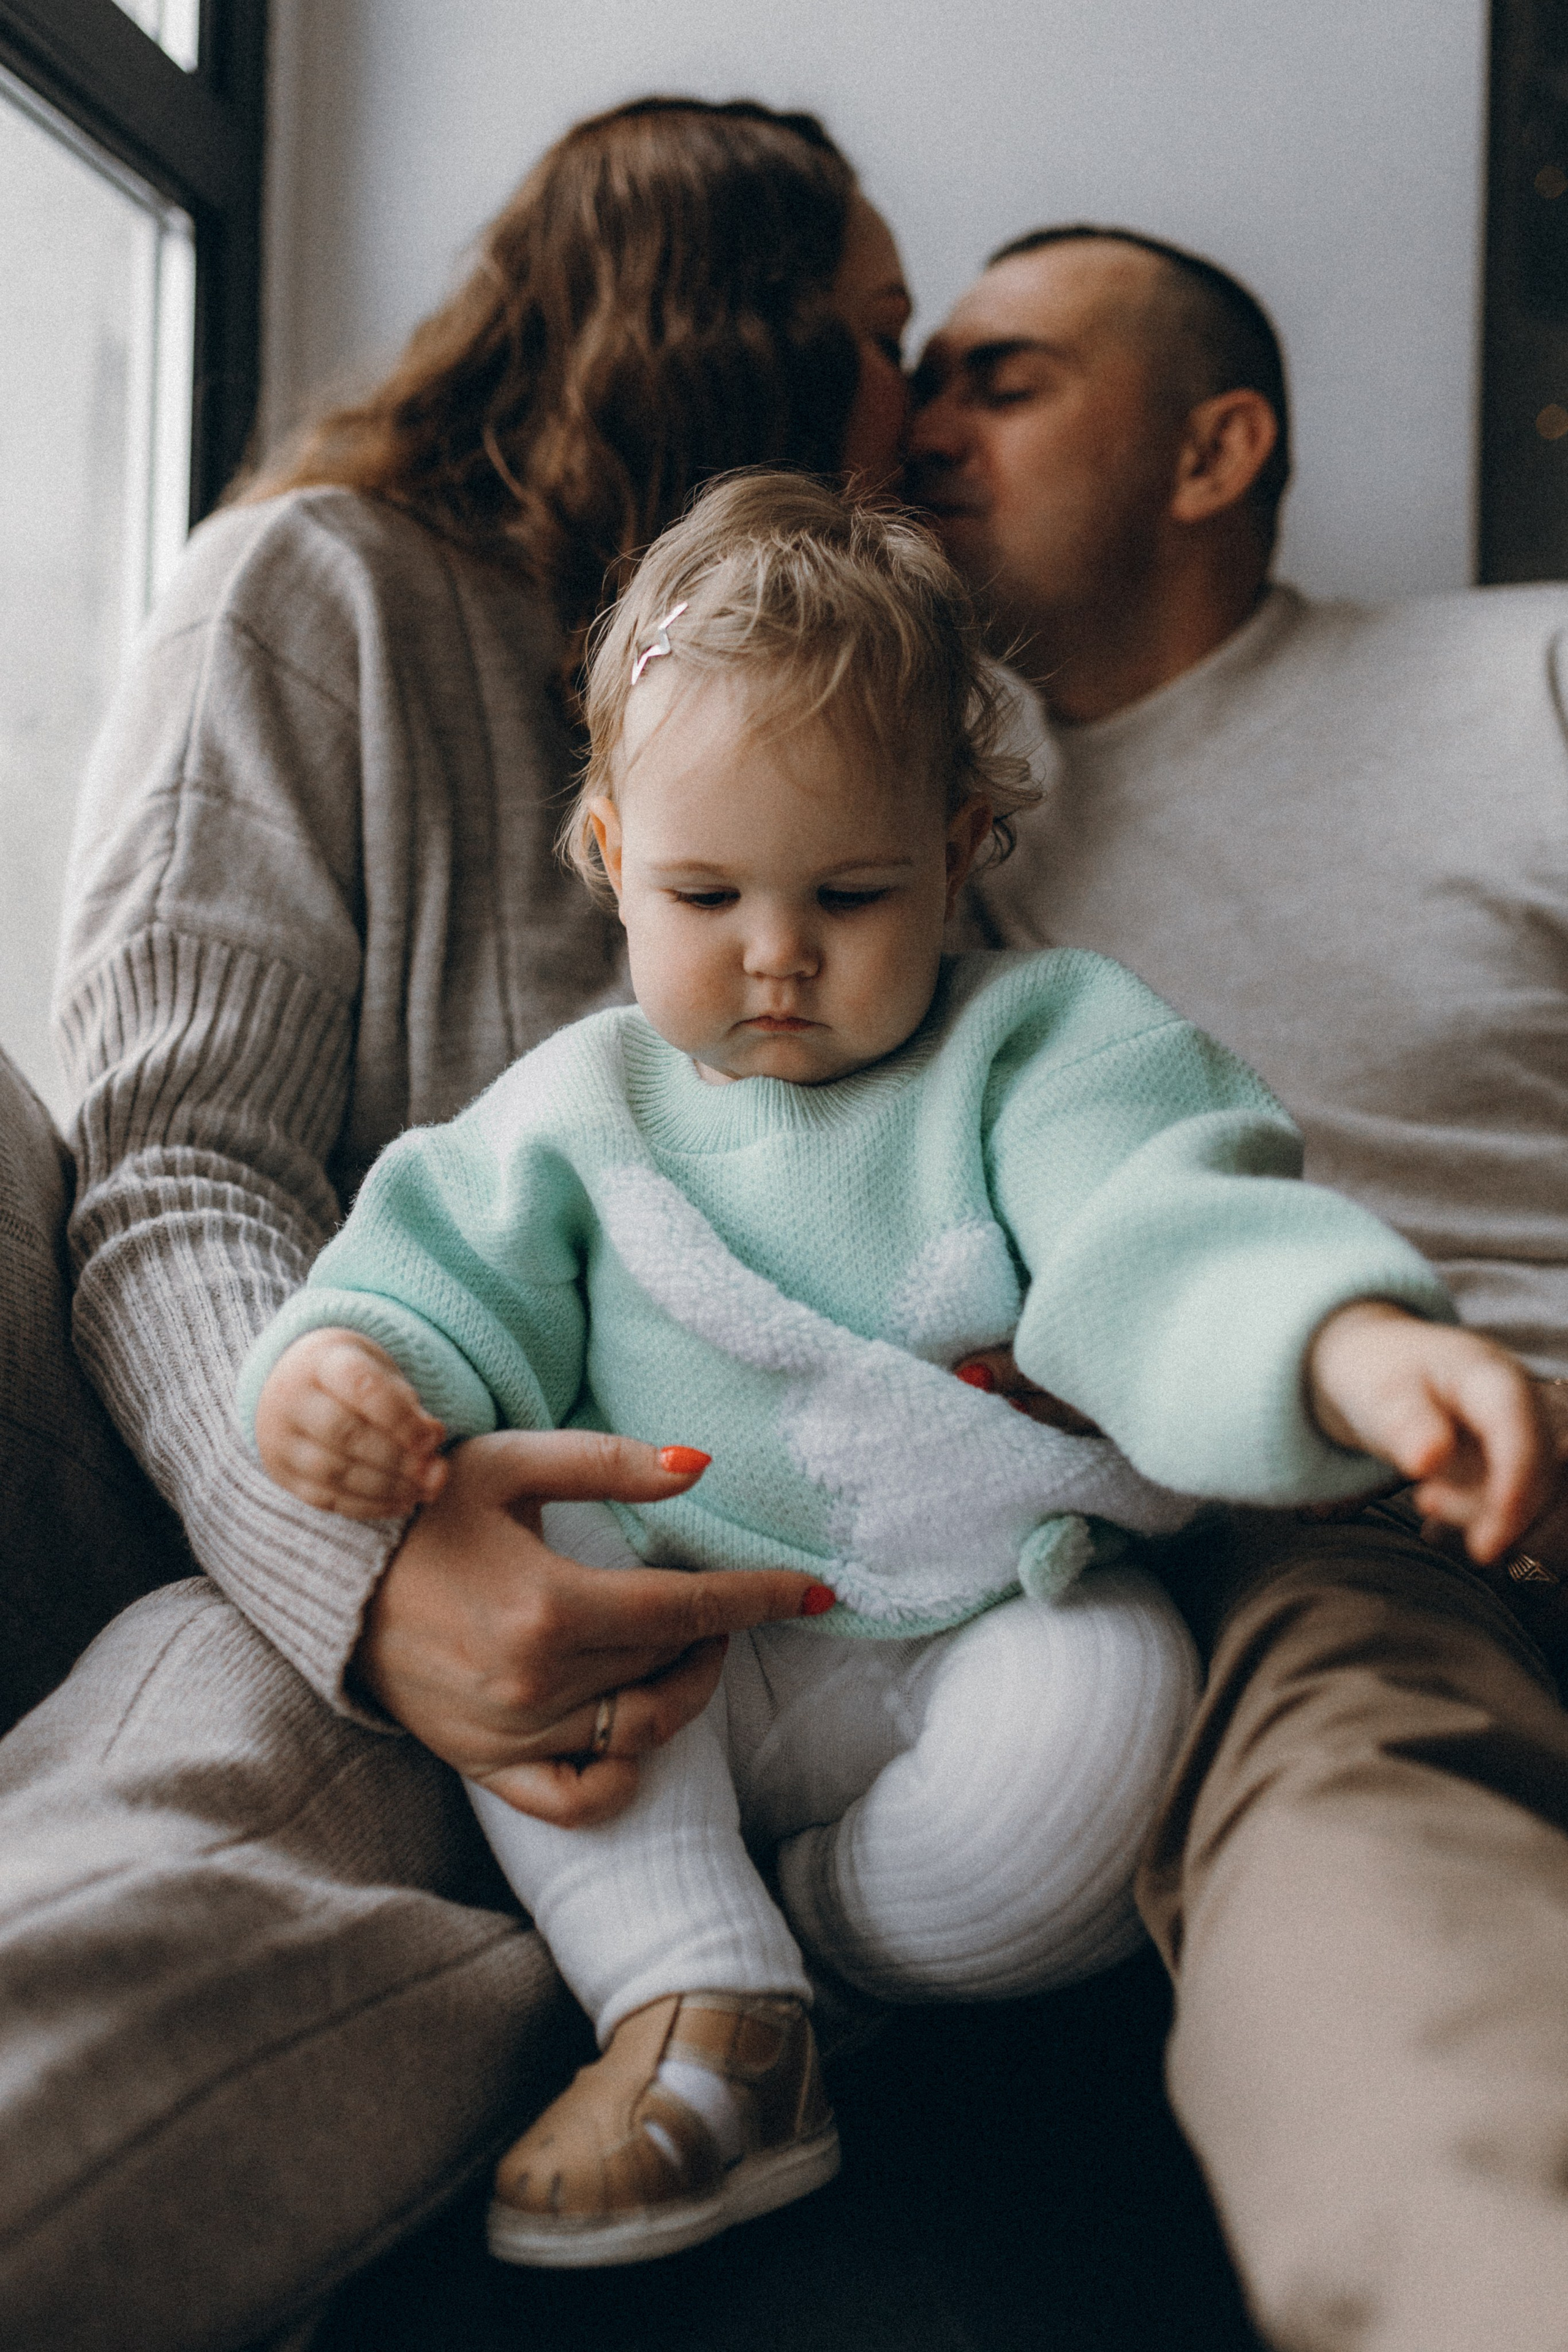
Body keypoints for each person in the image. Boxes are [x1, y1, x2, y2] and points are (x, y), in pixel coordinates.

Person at [243, 470, 1545, 2271]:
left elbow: (1161, 1231)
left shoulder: (1041, 1049)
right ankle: (686, 1984)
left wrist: (1349, 1345)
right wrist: (341, 1372)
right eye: (705, 892)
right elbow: (431, 1279)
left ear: (959, 846)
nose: (778, 954)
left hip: (972, 1629)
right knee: (535, 1552)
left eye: (852, 893)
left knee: (1119, 1696)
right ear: (608, 851)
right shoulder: (576, 1111)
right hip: (678, 1652)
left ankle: (788, 1982)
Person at [0, 100, 918, 2352]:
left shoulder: (889, 736)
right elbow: (173, 1164)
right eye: (881, 334)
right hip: (306, 1496)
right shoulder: (319, 590)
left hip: (692, 1588)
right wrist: (378, 1571)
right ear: (736, 338)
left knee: (298, 1885)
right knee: (168, 1850)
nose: (912, 407)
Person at [910, 222, 1568, 2351]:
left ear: (1215, 452)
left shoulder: (1526, 682)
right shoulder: (926, 856)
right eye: (920, 376)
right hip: (1342, 1534)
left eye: (1004, 379)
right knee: (1355, 1863)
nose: (924, 424)